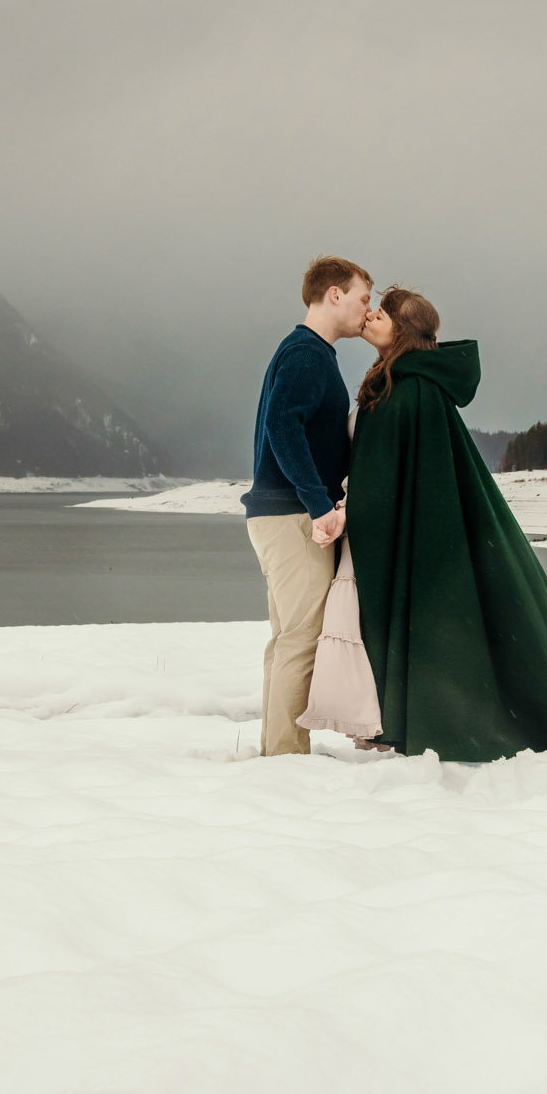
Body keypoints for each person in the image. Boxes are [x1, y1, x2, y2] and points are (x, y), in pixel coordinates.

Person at [345, 287, 547, 762]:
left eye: (384, 312)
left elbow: (388, 473)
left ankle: (414, 723)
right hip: (415, 529)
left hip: (417, 535)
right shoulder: (409, 380)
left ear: (403, 330)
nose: (371, 315)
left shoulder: (410, 388)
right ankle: (399, 722)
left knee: (415, 620)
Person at [242, 254, 371, 756]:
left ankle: (277, 751)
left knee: (286, 640)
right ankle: (284, 759)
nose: (368, 310)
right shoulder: (307, 354)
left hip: (277, 514)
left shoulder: (310, 353)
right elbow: (282, 425)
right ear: (333, 293)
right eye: (363, 298)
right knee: (301, 641)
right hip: (292, 516)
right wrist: (319, 505)